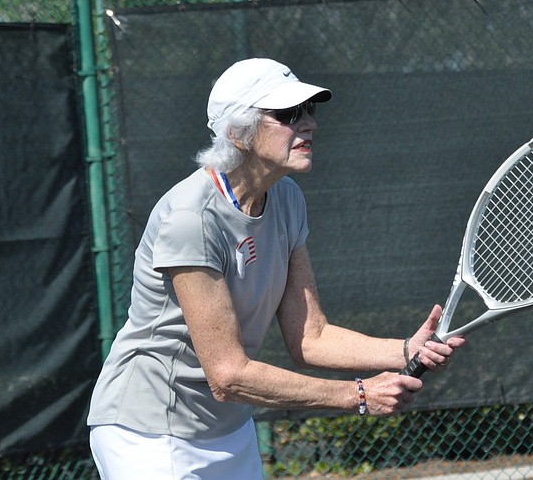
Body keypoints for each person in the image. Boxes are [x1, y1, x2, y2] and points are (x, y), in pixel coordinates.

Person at [87, 58, 466, 478]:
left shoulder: (286, 199)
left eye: (309, 111)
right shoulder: (191, 220)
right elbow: (228, 375)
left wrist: (404, 351)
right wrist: (357, 395)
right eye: (288, 114)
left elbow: (310, 336)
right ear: (239, 132)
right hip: (150, 435)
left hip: (227, 431)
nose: (309, 125)